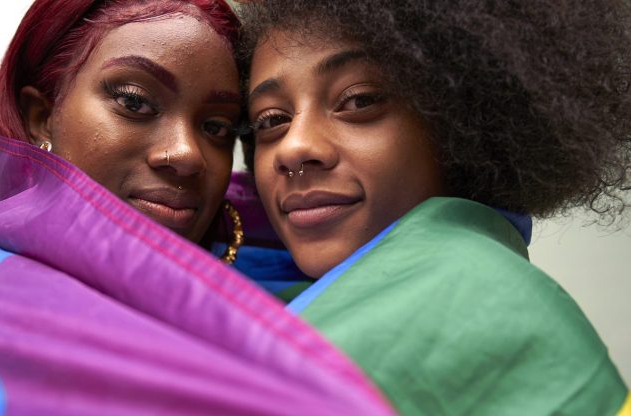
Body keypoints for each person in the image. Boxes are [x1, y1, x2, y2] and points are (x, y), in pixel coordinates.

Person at [0, 1, 395, 414]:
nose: (186, 154)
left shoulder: (336, 269)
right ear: (40, 117)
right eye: (134, 102)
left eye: (217, 127)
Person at [237, 0, 631, 414]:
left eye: (358, 100)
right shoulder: (247, 293)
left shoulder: (481, 292)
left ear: (459, 121)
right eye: (270, 120)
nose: (294, 147)